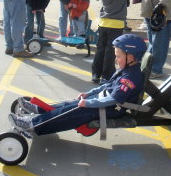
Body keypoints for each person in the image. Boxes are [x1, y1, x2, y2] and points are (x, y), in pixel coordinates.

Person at [8, 34, 147, 136]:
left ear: (130, 57)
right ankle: (39, 110)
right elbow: (106, 86)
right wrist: (89, 94)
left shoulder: (130, 78)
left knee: (69, 114)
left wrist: (89, 103)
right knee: (67, 106)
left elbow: (113, 99)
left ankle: (32, 125)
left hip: (111, 109)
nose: (115, 59)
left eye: (118, 56)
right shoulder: (125, 70)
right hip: (103, 103)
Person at [92, 0, 140, 83]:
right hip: (116, 25)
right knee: (110, 52)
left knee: (100, 49)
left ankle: (95, 74)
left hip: (103, 23)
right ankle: (107, 76)